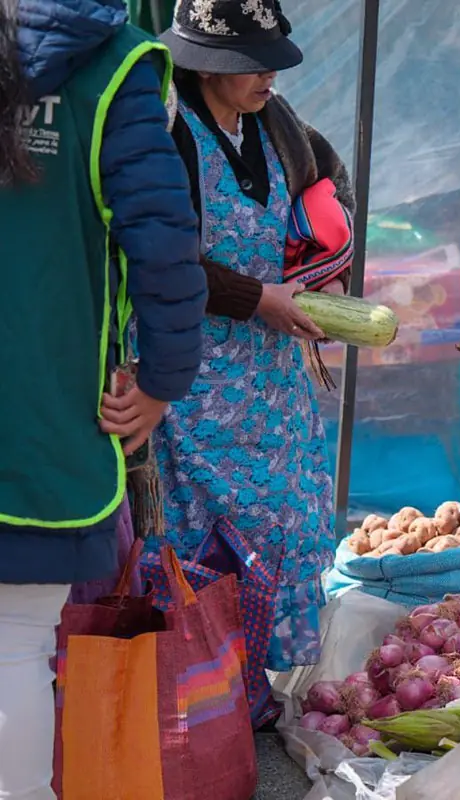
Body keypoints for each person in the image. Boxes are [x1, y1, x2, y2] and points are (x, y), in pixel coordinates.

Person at [0, 0, 206, 796]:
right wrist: (161, 380)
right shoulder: (112, 62)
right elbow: (162, 245)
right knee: (16, 644)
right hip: (40, 418)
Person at [154, 0, 354, 702]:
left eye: (272, 57)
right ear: (206, 66)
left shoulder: (281, 128)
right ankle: (206, 689)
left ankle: (253, 686)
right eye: (250, 64)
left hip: (273, 377)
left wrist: (326, 281)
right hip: (191, 377)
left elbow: (330, 200)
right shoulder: (168, 136)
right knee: (206, 534)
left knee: (292, 518)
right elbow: (156, 257)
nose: (268, 73)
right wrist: (258, 299)